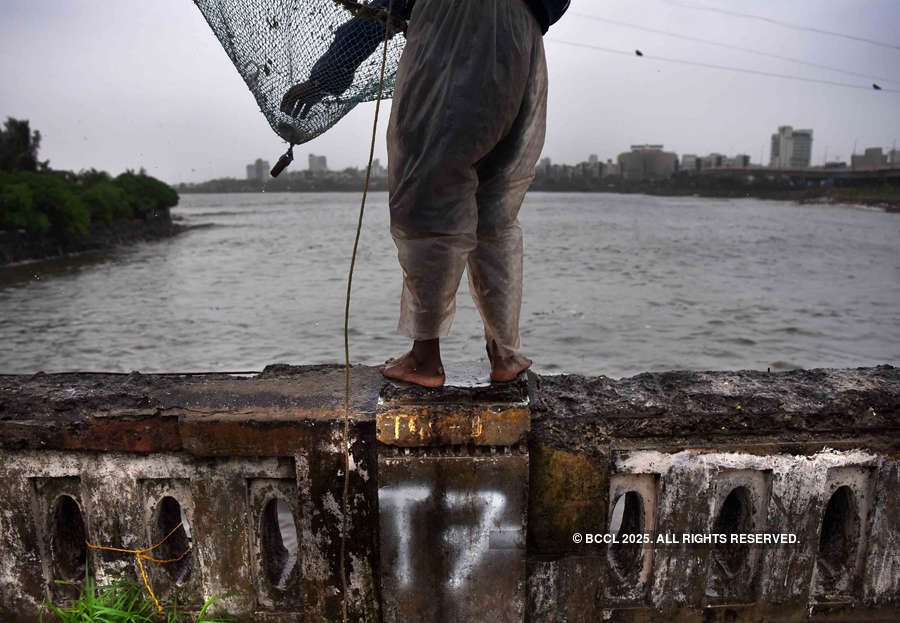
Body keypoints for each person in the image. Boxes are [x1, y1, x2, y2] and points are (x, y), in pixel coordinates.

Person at [282, 0, 569, 387]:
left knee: (426, 198)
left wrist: (328, 76)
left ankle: (424, 358)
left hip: (454, 26)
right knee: (495, 209)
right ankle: (505, 352)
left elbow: (384, 8)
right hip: (523, 40)